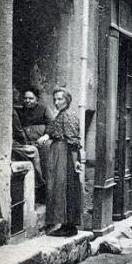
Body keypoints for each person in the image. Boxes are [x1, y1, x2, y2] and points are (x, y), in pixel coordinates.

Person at [38, 87, 82, 237]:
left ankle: (68, 226)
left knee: (63, 189)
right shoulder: (62, 114)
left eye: (60, 99)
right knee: (58, 188)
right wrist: (47, 136)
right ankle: (66, 224)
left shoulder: (68, 115)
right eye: (55, 99)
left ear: (67, 100)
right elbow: (54, 129)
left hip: (65, 155)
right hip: (59, 152)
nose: (56, 102)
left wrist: (76, 161)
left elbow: (73, 140)